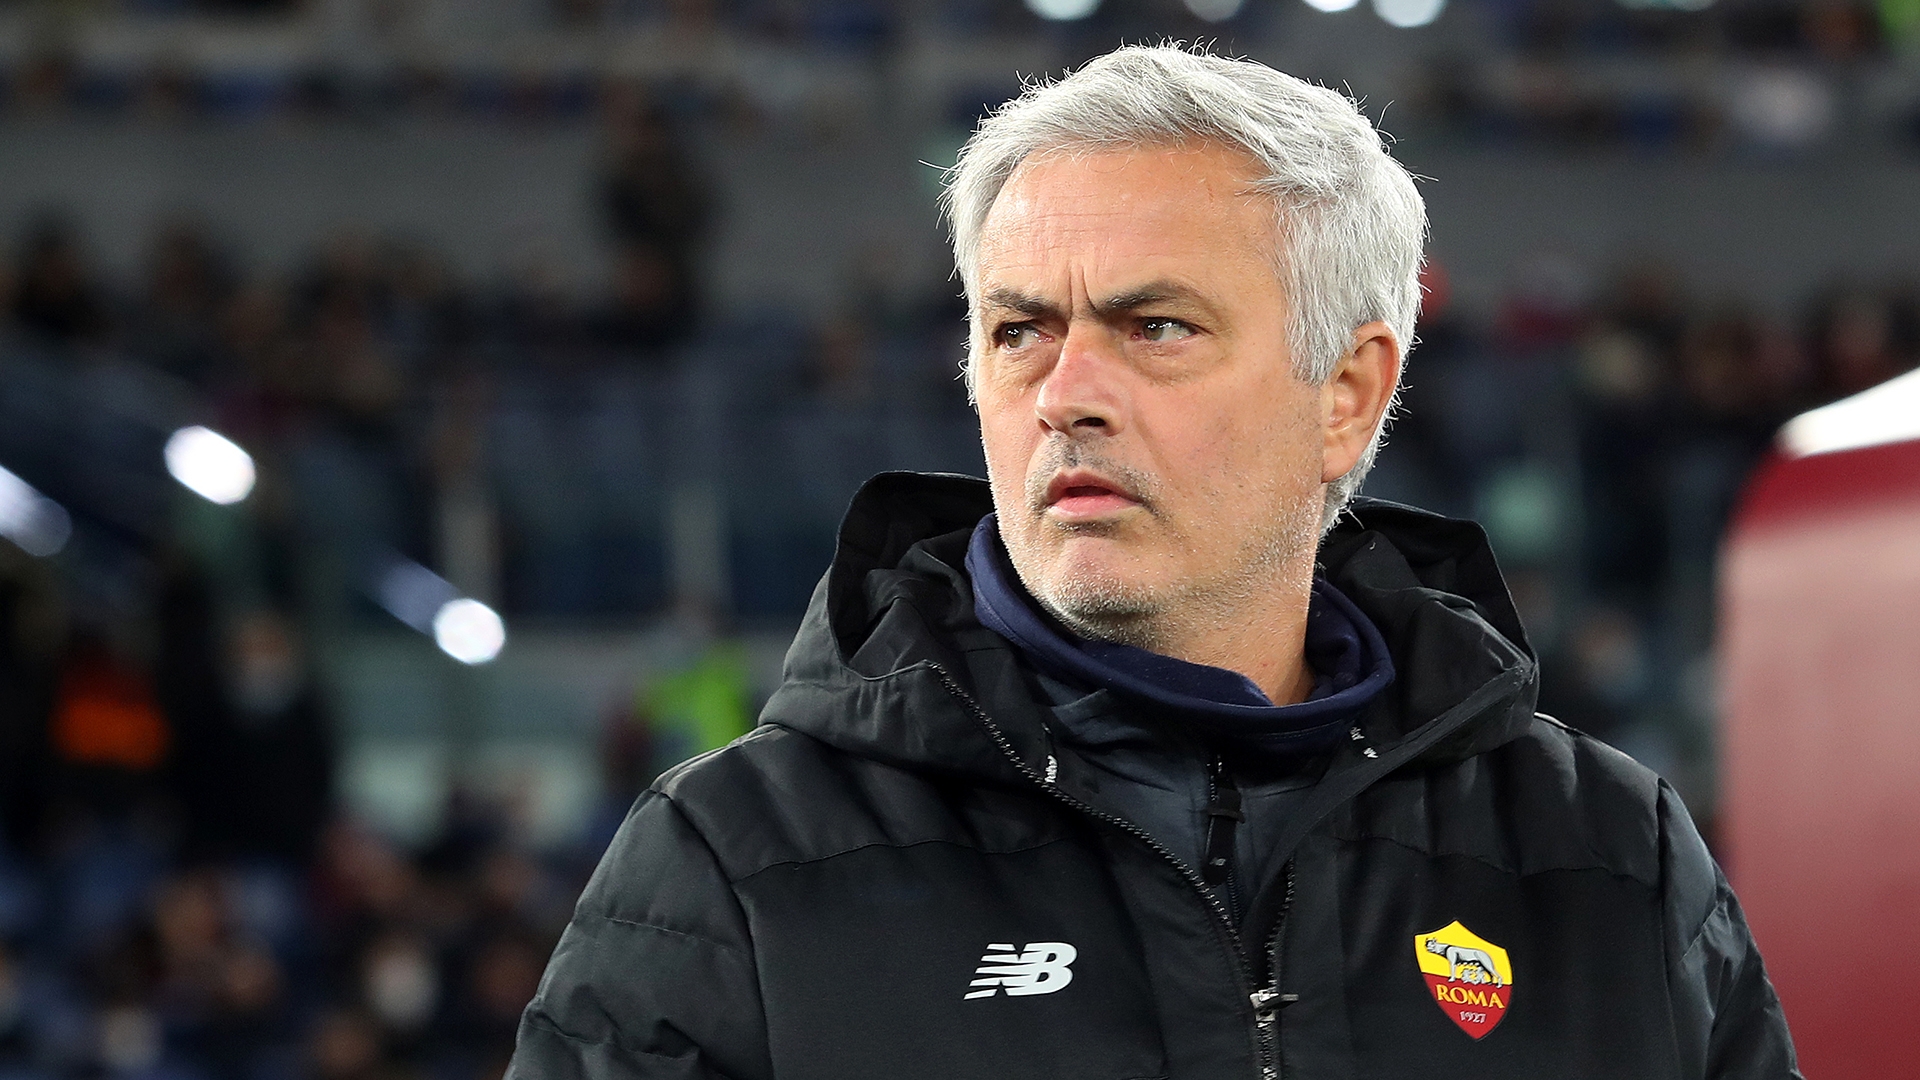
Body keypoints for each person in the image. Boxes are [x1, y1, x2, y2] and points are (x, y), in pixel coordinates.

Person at [507, 46, 1799, 1080]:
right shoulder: (736, 867)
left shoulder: (1607, 857)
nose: (1066, 392)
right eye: (1020, 330)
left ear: (1347, 393)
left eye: (1156, 326)